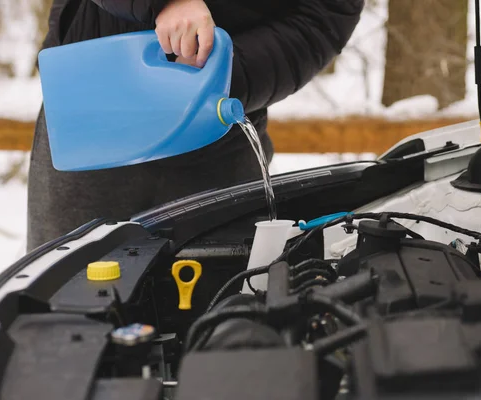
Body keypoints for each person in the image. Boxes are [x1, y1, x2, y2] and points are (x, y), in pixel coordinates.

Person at [27, 0, 364, 251]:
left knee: (223, 300)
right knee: (64, 299)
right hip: (93, 105)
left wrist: (222, 75)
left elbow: (321, 18)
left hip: (219, 131)